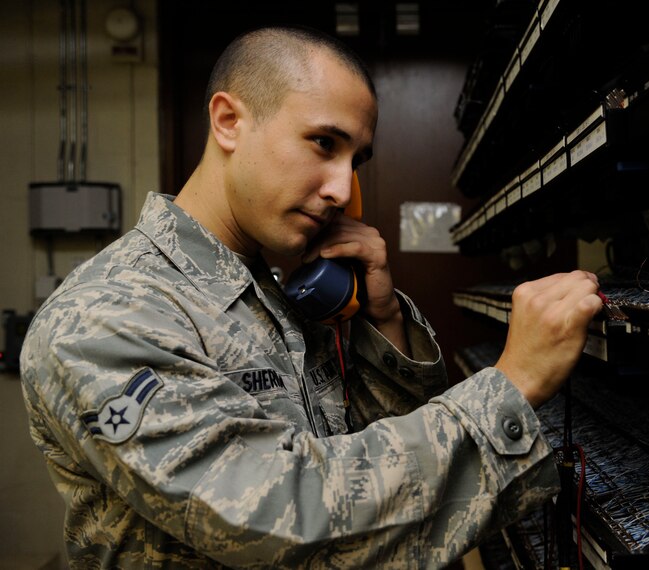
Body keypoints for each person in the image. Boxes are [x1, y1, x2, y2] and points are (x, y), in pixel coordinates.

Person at [19, 25, 603, 568]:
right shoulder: (104, 317)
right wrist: (513, 384)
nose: (343, 189)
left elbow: (387, 467)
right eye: (324, 143)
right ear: (228, 121)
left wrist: (383, 319)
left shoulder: (279, 295)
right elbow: (278, 522)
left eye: (357, 160)